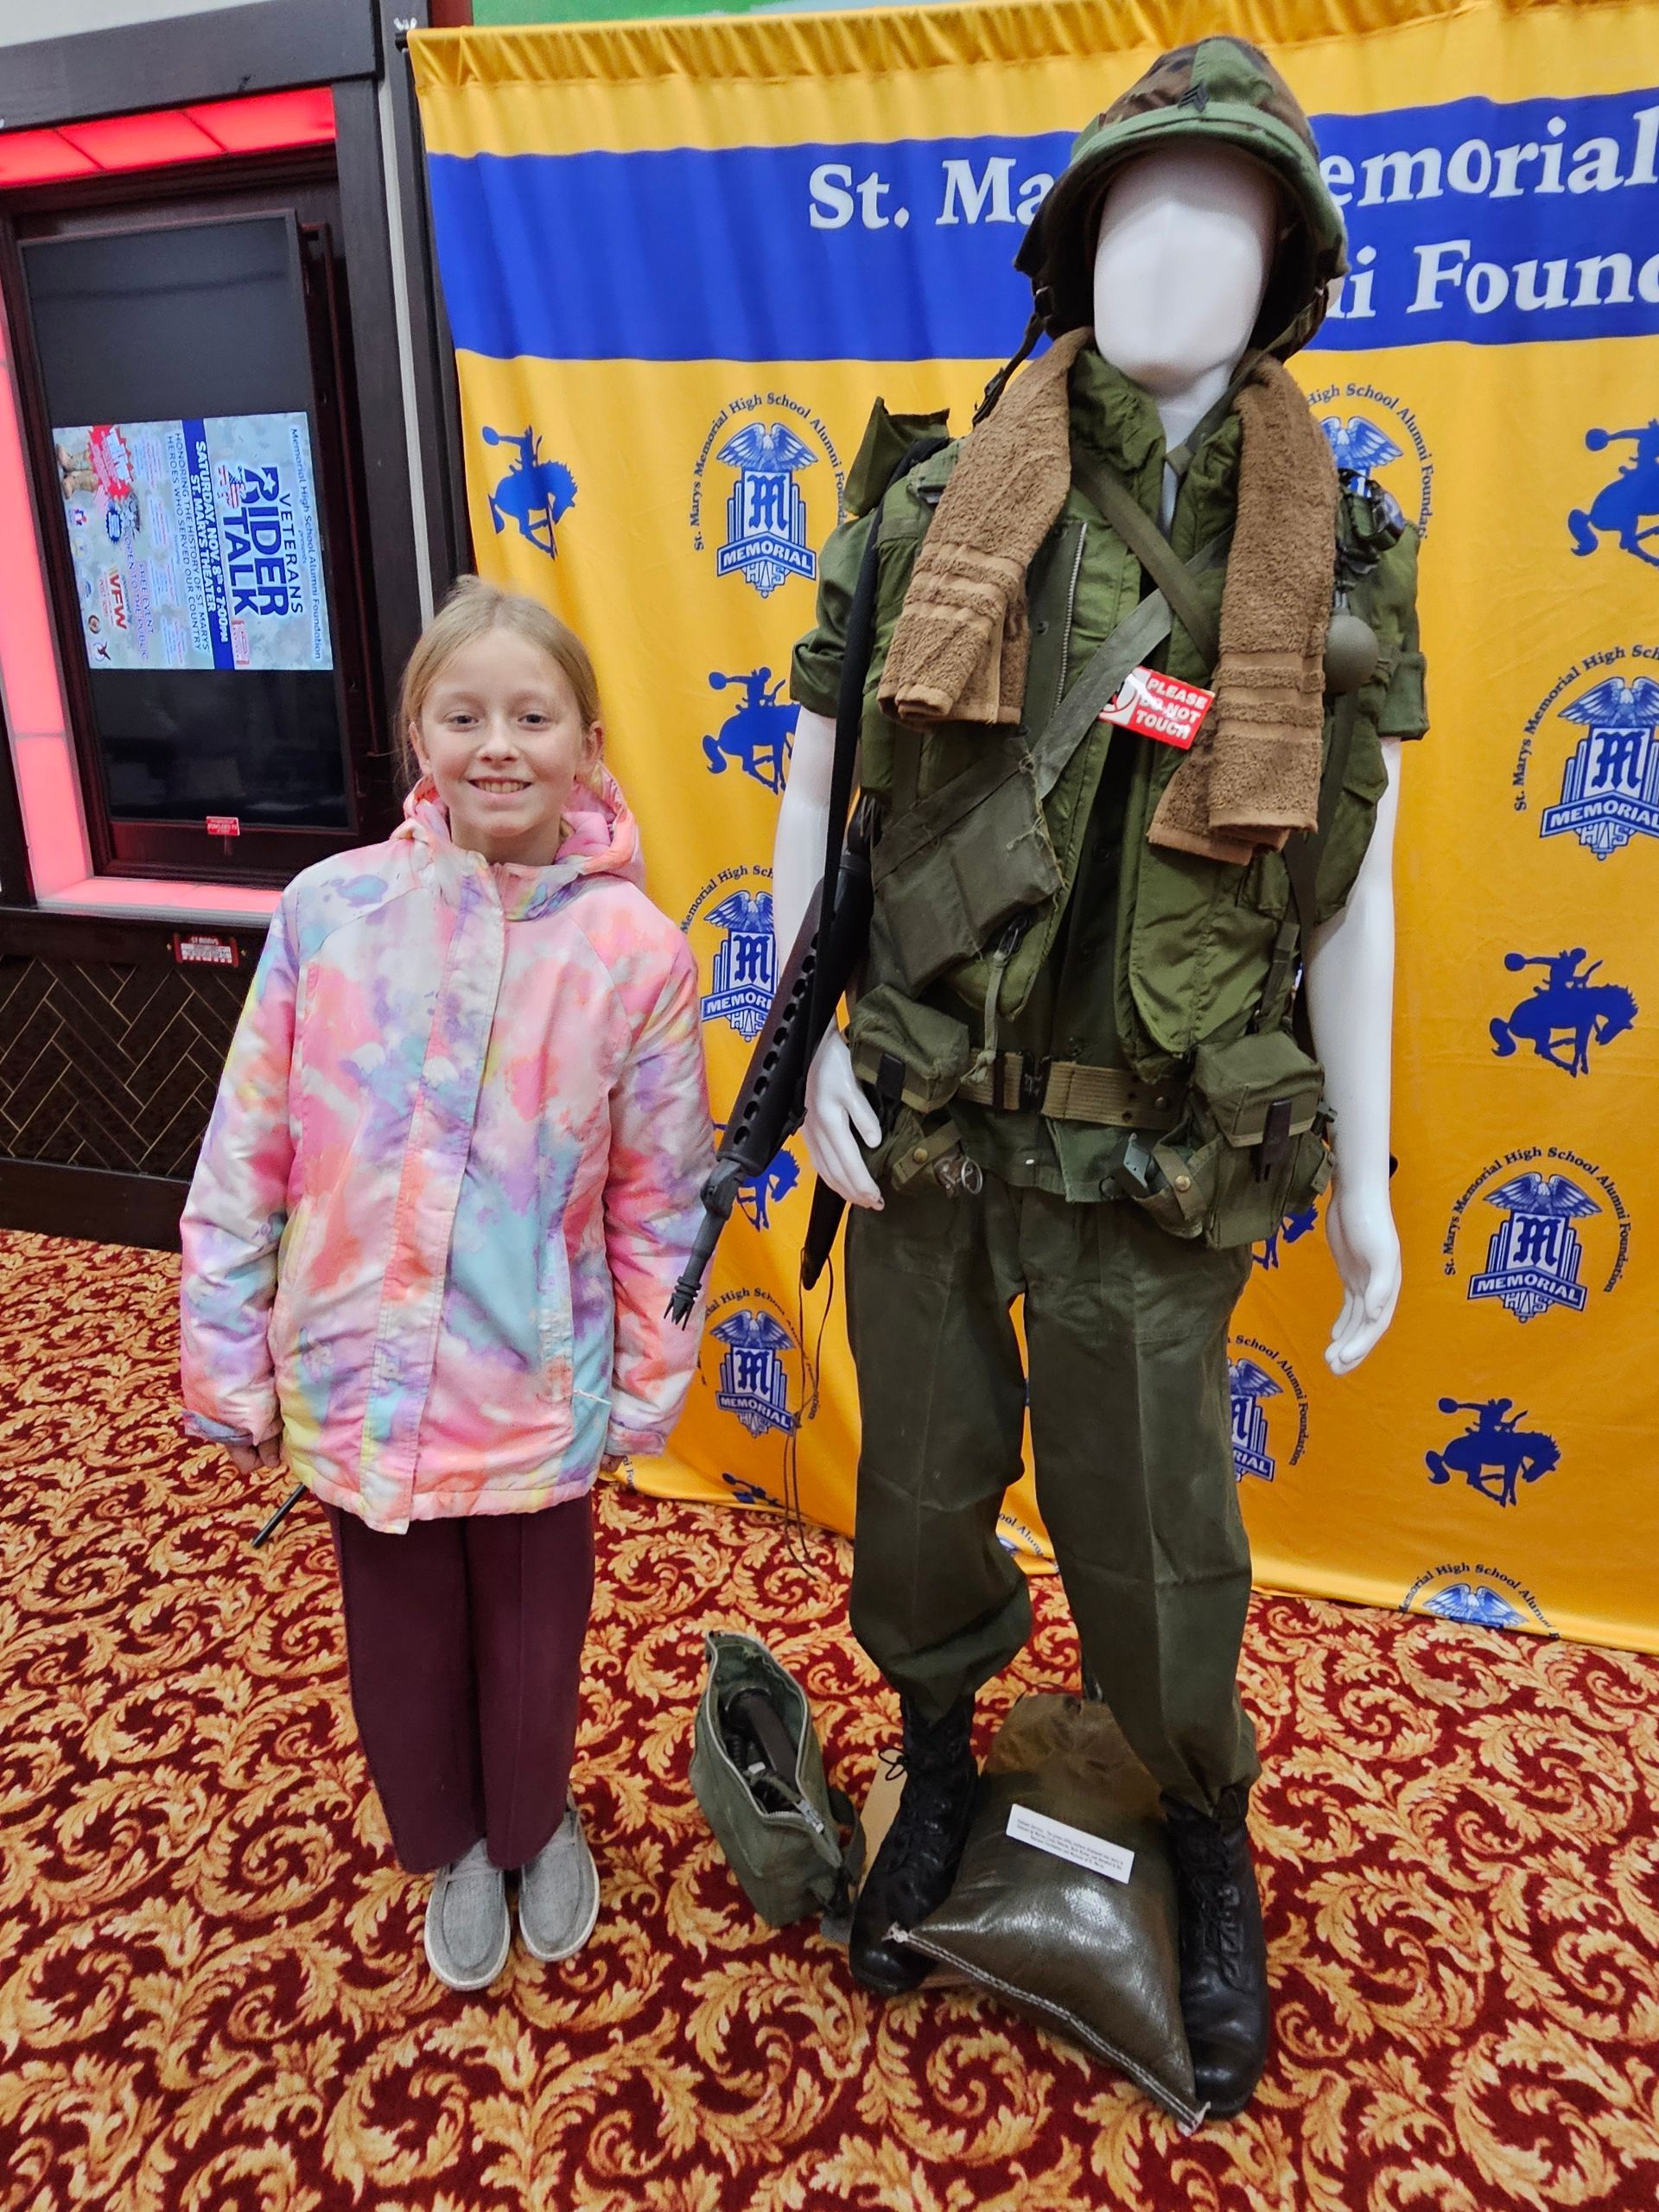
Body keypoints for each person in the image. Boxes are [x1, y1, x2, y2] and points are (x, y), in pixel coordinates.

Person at [777, 38, 1427, 2115]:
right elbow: (829, 787)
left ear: (1284, 280)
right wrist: (797, 1072)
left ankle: (1202, 1822)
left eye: (1226, 225)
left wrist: (1378, 1177)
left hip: (1164, 1137)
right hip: (936, 1111)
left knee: (1157, 1528)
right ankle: (943, 1759)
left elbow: (1354, 888)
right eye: (1141, 213)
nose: (1175, 260)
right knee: (922, 1476)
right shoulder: (926, 501)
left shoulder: (1321, 554)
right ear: (1072, 248)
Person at [179, 577, 714, 1991]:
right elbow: (250, 1149)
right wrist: (226, 1351)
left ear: (588, 743)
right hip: (360, 1371)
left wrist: (652, 1376)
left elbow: (663, 1198)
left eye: (532, 716)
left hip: (534, 1378)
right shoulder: (329, 913)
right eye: (462, 713)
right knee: (401, 1639)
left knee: (538, 1630)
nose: (497, 745)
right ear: (418, 729)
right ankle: (453, 1842)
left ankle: (538, 1821)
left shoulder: (634, 957)